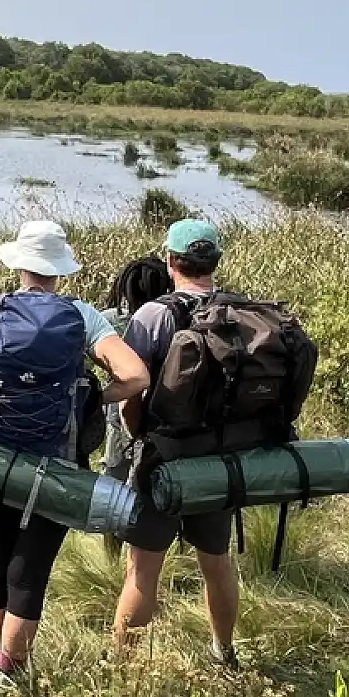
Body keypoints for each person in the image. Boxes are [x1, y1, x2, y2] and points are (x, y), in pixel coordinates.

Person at [0, 220, 149, 678]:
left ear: (20, 263)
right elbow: (137, 376)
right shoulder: (82, 316)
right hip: (57, 462)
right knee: (30, 573)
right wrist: (91, 396)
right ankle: (12, 677)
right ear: (59, 269)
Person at [112, 220, 240, 666]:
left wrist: (137, 436)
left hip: (163, 456)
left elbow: (129, 390)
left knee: (143, 572)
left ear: (170, 261)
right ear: (216, 262)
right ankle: (225, 652)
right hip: (221, 460)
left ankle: (123, 666)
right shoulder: (238, 311)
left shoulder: (152, 316)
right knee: (217, 563)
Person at [97, 255, 172, 557]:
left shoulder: (111, 318)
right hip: (162, 411)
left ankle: (111, 550)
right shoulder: (170, 316)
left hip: (119, 409)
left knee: (115, 477)